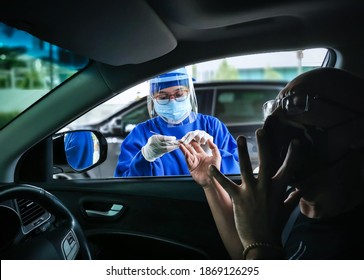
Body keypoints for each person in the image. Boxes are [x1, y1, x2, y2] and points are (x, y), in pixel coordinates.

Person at [180, 67, 364, 259]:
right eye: (273, 108)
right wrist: (211, 182)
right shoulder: (288, 200)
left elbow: (259, 247)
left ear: (358, 131)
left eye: (297, 103)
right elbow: (248, 251)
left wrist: (263, 246)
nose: (273, 120)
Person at [114, 67, 240, 177]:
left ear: (189, 92)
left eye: (179, 94)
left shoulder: (212, 126)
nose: (172, 101)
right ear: (153, 98)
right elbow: (125, 182)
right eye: (163, 97)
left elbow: (238, 174)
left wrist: (212, 155)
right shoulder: (140, 133)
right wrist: (145, 157)